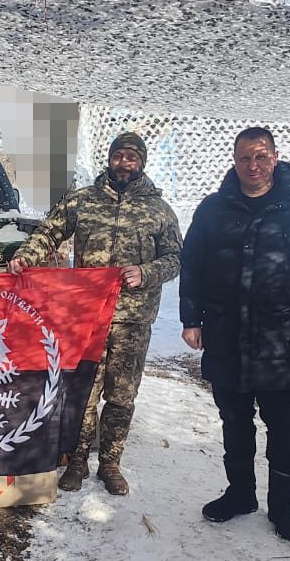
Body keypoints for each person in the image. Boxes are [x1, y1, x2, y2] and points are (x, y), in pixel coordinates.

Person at [179, 126, 290, 541]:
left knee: (284, 426)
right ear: (235, 161)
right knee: (234, 422)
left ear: (275, 157)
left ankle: (284, 508)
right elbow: (192, 265)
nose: (254, 165)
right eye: (245, 158)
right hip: (226, 335)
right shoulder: (214, 209)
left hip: (282, 339)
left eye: (261, 156)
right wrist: (191, 319)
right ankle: (240, 494)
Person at [9, 132, 181, 496]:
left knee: (121, 396)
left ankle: (111, 464)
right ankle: (77, 461)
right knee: (84, 392)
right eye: (119, 156)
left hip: (133, 318)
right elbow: (49, 233)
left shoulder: (158, 210)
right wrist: (27, 256)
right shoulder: (83, 201)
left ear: (142, 162)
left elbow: (176, 259)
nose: (124, 163)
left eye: (132, 157)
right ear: (110, 158)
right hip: (88, 317)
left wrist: (146, 272)